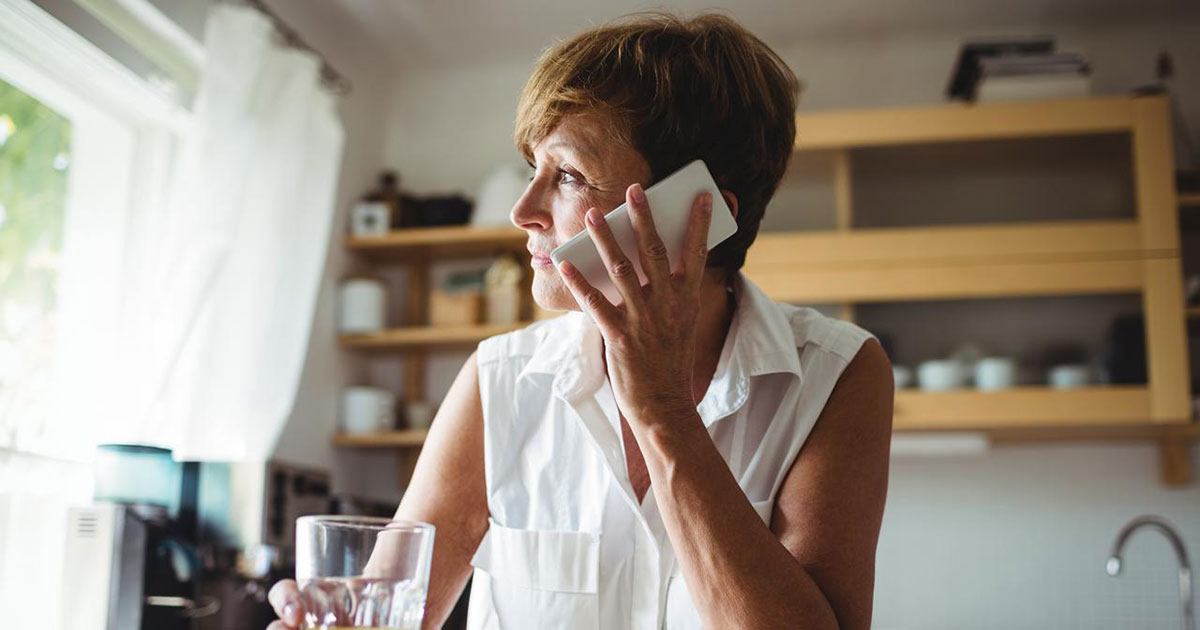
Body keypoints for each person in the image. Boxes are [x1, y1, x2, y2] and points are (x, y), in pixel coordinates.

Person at [270, 12, 892, 630]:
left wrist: (664, 415)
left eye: (567, 175)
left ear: (696, 215)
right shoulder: (498, 380)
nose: (523, 211)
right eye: (532, 169)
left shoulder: (837, 376)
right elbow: (382, 616)